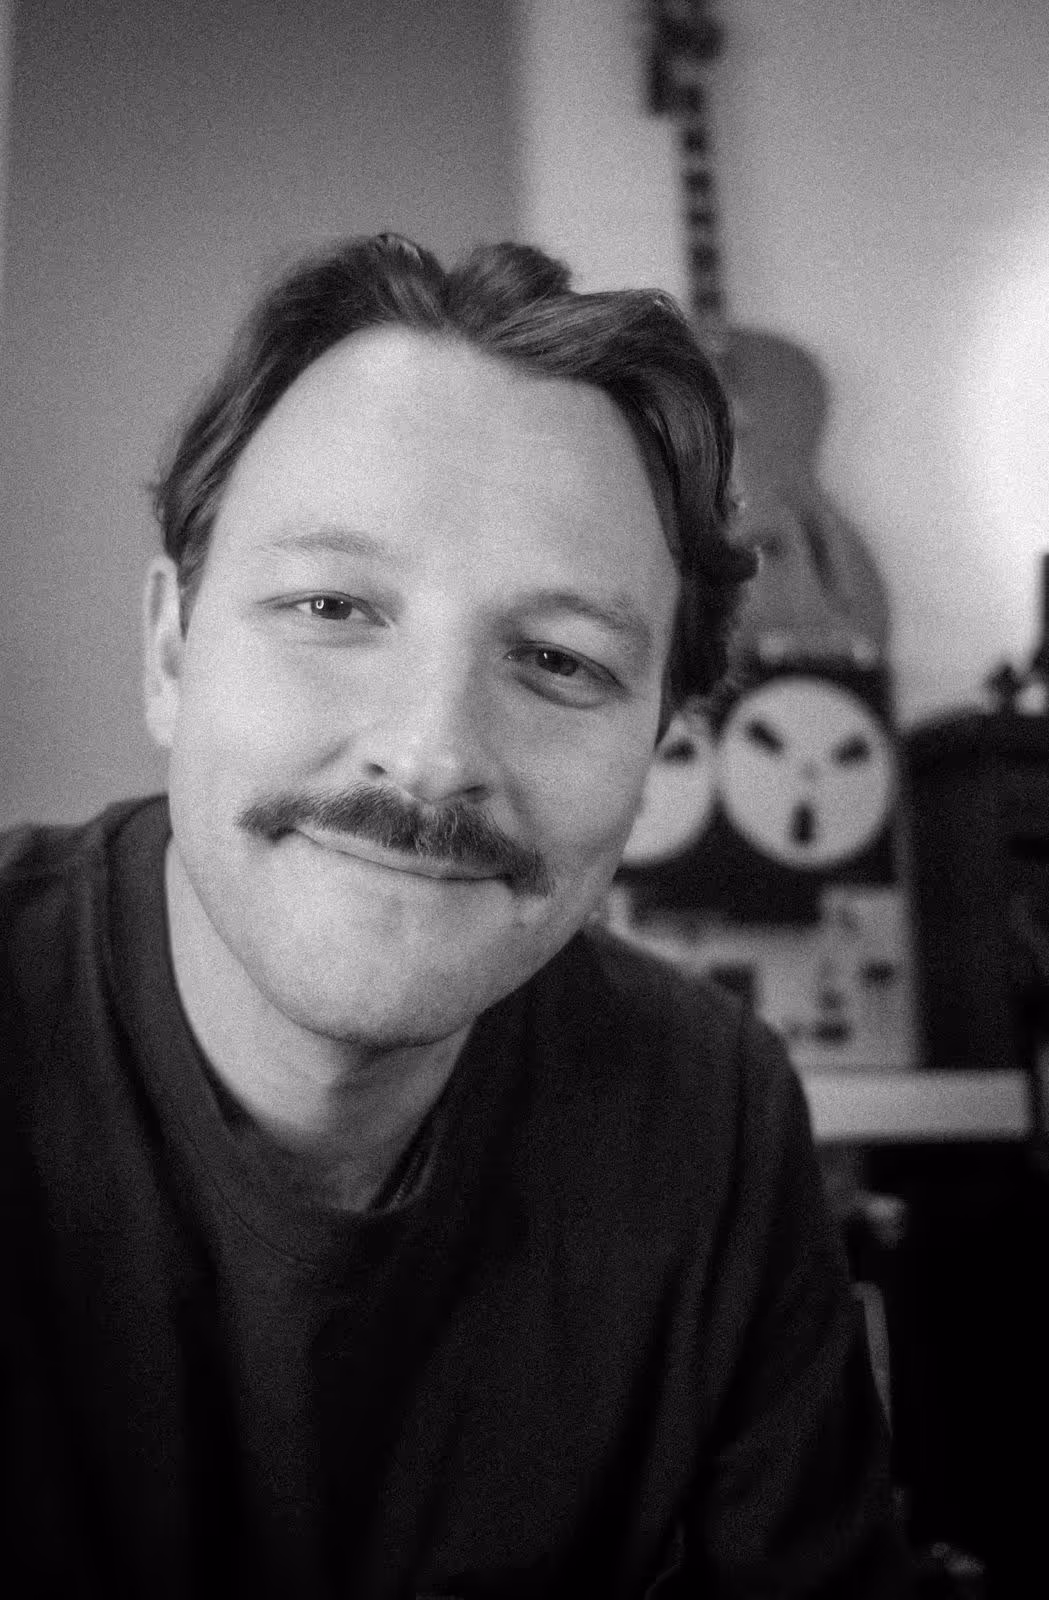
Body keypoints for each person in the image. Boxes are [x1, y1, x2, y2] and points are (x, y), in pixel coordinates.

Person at [0, 233, 913, 1597]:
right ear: (172, 650)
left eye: (558, 660)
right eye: (330, 604)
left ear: (660, 743)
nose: (430, 752)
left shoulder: (709, 1114)